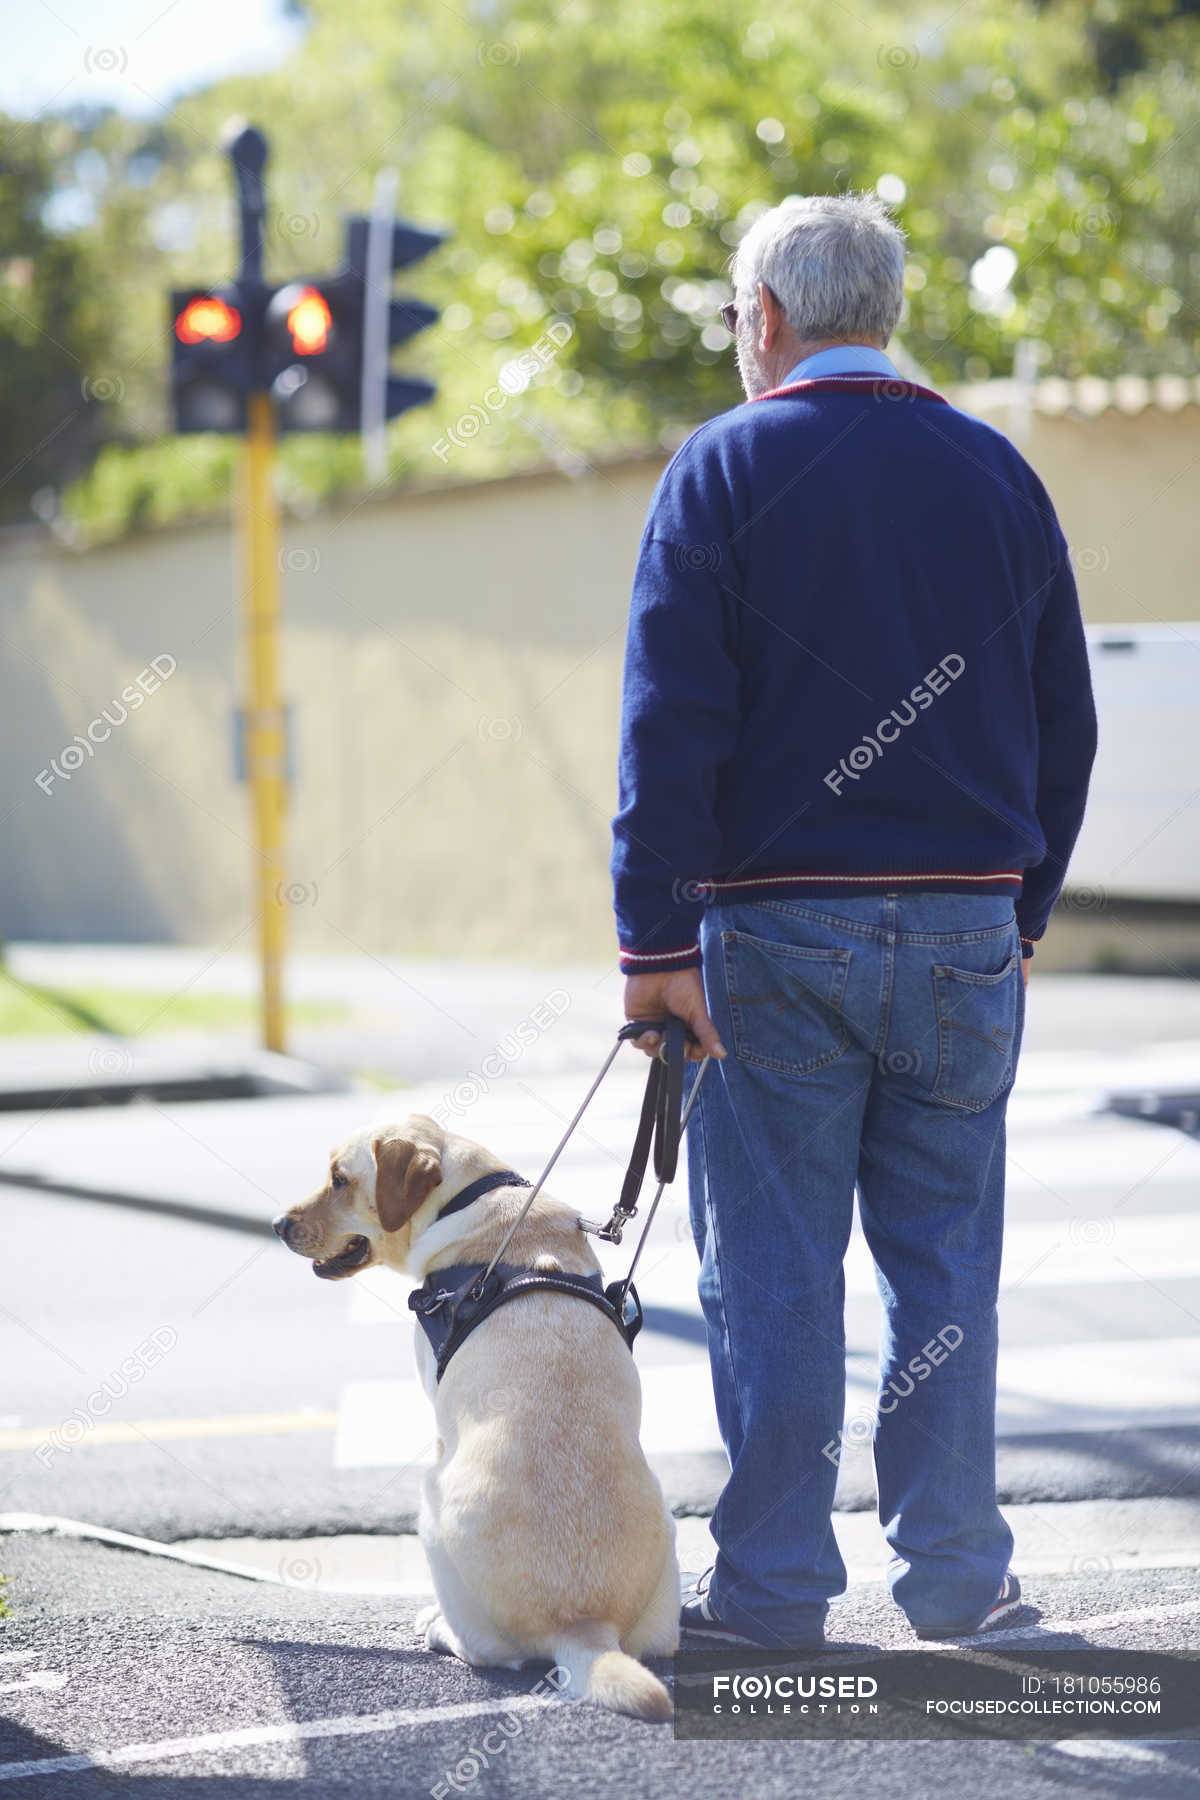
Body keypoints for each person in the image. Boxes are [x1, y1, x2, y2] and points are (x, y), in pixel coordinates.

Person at [610, 192, 1097, 1648]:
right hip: (963, 930)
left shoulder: (719, 468)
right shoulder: (997, 475)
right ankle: (958, 1584)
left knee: (771, 1272)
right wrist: (1027, 908)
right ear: (885, 312)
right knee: (945, 1269)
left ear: (765, 320)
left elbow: (670, 728)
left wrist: (652, 949)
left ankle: (772, 1592)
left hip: (775, 938)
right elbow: (1063, 725)